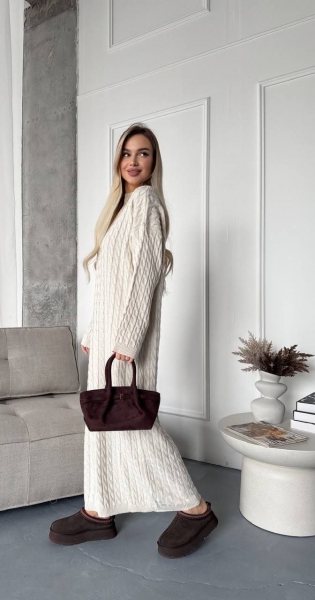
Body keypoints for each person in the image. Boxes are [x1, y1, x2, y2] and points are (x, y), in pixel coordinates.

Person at [49, 123, 218, 558]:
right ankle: (98, 510)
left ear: (154, 162)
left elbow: (143, 277)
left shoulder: (145, 203)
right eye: (126, 153)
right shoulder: (121, 209)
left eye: (143, 153)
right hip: (107, 339)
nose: (133, 161)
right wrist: (94, 333)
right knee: (101, 423)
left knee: (133, 423)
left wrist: (126, 339)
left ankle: (196, 509)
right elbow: (109, 284)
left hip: (126, 342)